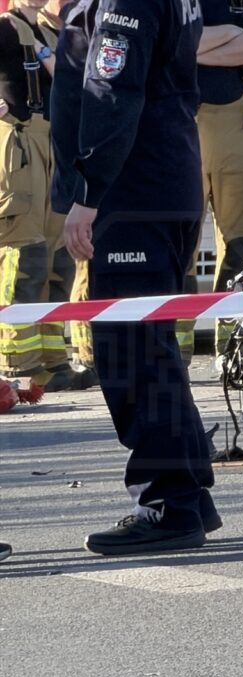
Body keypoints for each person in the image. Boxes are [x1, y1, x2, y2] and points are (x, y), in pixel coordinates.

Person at [51, 0, 221, 555]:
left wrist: (88, 192)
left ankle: (168, 504)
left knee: (131, 356)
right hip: (162, 186)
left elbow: (112, 91)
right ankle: (188, 497)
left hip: (133, 192)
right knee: (152, 349)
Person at [0, 0, 94, 392]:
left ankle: (54, 360)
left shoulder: (52, 31)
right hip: (18, 143)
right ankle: (17, 363)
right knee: (25, 253)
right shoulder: (4, 28)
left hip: (54, 143)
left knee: (57, 256)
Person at [185, 0, 243, 362]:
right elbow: (167, 43)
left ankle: (233, 345)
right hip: (181, 122)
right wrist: (230, 34)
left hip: (239, 123)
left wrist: (194, 50)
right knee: (178, 242)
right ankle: (174, 350)